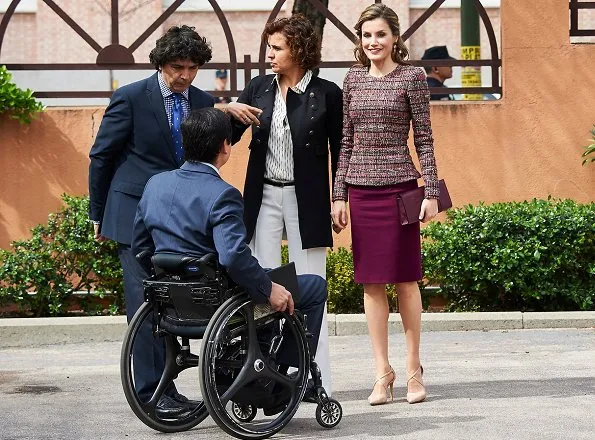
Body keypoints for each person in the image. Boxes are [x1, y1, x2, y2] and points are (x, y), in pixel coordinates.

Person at [131, 107, 327, 374]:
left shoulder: (154, 185)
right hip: (218, 298)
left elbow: (141, 249)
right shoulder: (222, 194)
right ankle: (281, 377)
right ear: (225, 146)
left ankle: (263, 363)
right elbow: (233, 257)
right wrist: (269, 288)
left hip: (172, 303)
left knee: (262, 283)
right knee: (313, 287)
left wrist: (166, 284)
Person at [88, 25, 215, 417]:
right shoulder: (130, 98)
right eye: (178, 67)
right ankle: (150, 393)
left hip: (179, 221)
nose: (186, 76)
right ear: (160, 63)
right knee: (144, 304)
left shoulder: (203, 101)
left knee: (174, 305)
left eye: (194, 68)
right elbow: (101, 157)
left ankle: (169, 388)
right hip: (132, 216)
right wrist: (97, 212)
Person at [225, 14, 343, 395]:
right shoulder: (258, 88)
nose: (269, 54)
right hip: (263, 198)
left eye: (276, 48)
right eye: (269, 47)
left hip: (305, 200)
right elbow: (224, 135)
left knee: (311, 283)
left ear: (300, 49)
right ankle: (267, 376)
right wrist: (226, 109)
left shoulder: (327, 94)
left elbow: (341, 151)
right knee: (262, 284)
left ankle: (316, 377)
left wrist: (340, 198)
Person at [331, 4, 442, 406]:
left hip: (400, 188)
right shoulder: (353, 80)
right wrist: (338, 195)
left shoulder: (412, 77)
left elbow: (424, 139)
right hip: (360, 191)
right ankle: (382, 372)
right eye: (366, 36)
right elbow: (345, 142)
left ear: (394, 37)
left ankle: (414, 368)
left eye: (380, 34)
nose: (373, 42)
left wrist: (431, 190)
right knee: (372, 283)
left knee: (407, 279)